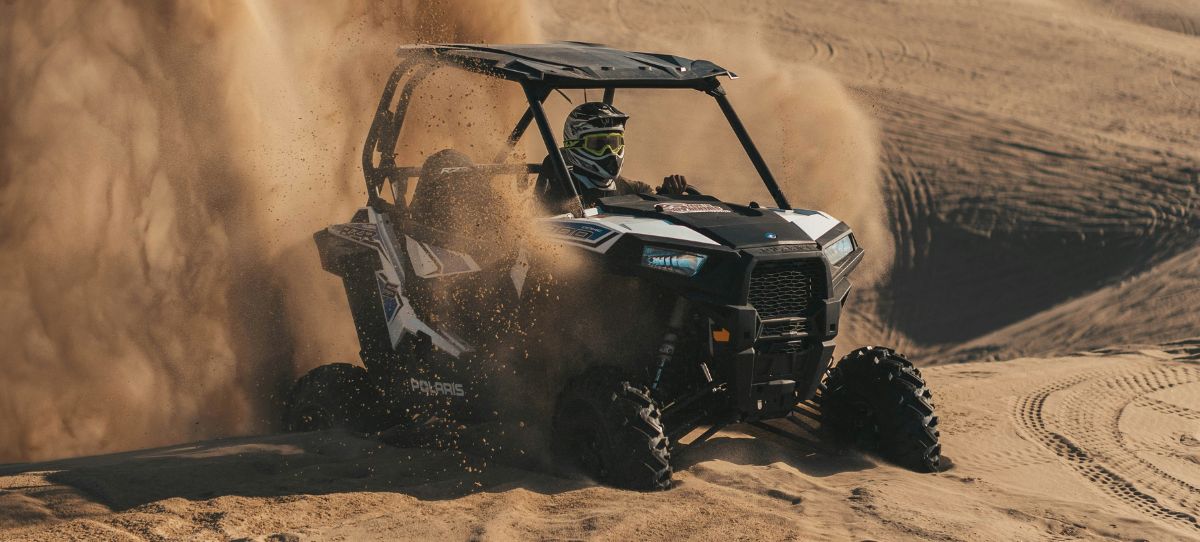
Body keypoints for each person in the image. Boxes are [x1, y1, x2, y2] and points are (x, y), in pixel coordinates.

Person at [535, 102, 688, 212]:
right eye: (598, 144)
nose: (610, 152)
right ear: (574, 145)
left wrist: (668, 198)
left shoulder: (634, 190)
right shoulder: (558, 194)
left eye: (614, 143)